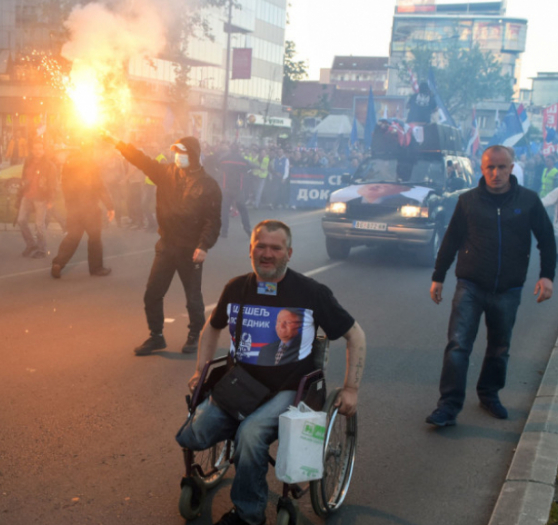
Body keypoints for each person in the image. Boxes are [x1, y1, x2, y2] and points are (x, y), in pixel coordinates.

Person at [177, 220, 366, 525]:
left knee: (250, 435)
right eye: (260, 246)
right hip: (242, 384)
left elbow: (355, 336)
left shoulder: (311, 292)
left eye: (275, 248)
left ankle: (248, 514)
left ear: (288, 253)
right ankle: (237, 452)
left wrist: (351, 388)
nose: (267, 254)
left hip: (290, 390)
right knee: (196, 433)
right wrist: (201, 370)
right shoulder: (236, 287)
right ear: (250, 250)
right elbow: (212, 327)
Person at [426, 145, 556, 427]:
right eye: (490, 167)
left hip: (508, 289)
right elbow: (451, 240)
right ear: (481, 168)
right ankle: (448, 407)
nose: (496, 173)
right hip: (470, 285)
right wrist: (439, 276)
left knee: (499, 347)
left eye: (502, 167)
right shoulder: (468, 201)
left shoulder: (529, 201)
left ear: (511, 168)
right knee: (458, 345)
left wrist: (547, 276)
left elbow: (546, 239)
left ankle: (489, 394)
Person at [104, 133, 222, 355]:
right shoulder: (167, 173)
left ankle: (195, 335)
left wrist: (204, 245)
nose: (177, 156)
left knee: (193, 296)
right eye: (175, 152)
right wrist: (118, 143)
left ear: (194, 155)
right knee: (152, 293)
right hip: (167, 245)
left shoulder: (209, 185)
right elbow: (141, 160)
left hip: (191, 250)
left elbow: (213, 220)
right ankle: (156, 336)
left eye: (182, 153)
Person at [51, 138, 115, 278]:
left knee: (72, 237)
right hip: (90, 208)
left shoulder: (69, 163)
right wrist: (110, 206)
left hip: (74, 207)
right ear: (91, 150)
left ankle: (58, 263)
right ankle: (96, 268)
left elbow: (64, 185)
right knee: (95, 238)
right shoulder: (91, 164)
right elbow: (100, 187)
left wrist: (69, 203)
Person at [16, 140, 58, 258]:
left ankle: (42, 249)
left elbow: (52, 184)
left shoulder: (49, 165)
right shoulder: (28, 161)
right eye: (35, 149)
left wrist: (51, 199)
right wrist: (22, 187)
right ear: (32, 150)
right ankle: (31, 244)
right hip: (27, 196)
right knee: (21, 220)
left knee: (39, 225)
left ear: (44, 150)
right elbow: (24, 176)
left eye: (40, 149)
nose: (37, 151)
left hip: (41, 198)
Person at [216, 143, 253, 238]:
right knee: (243, 210)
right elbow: (249, 167)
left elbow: (218, 165)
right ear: (238, 150)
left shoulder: (224, 159)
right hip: (238, 189)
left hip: (226, 187)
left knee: (224, 210)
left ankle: (224, 231)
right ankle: (248, 230)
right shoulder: (242, 160)